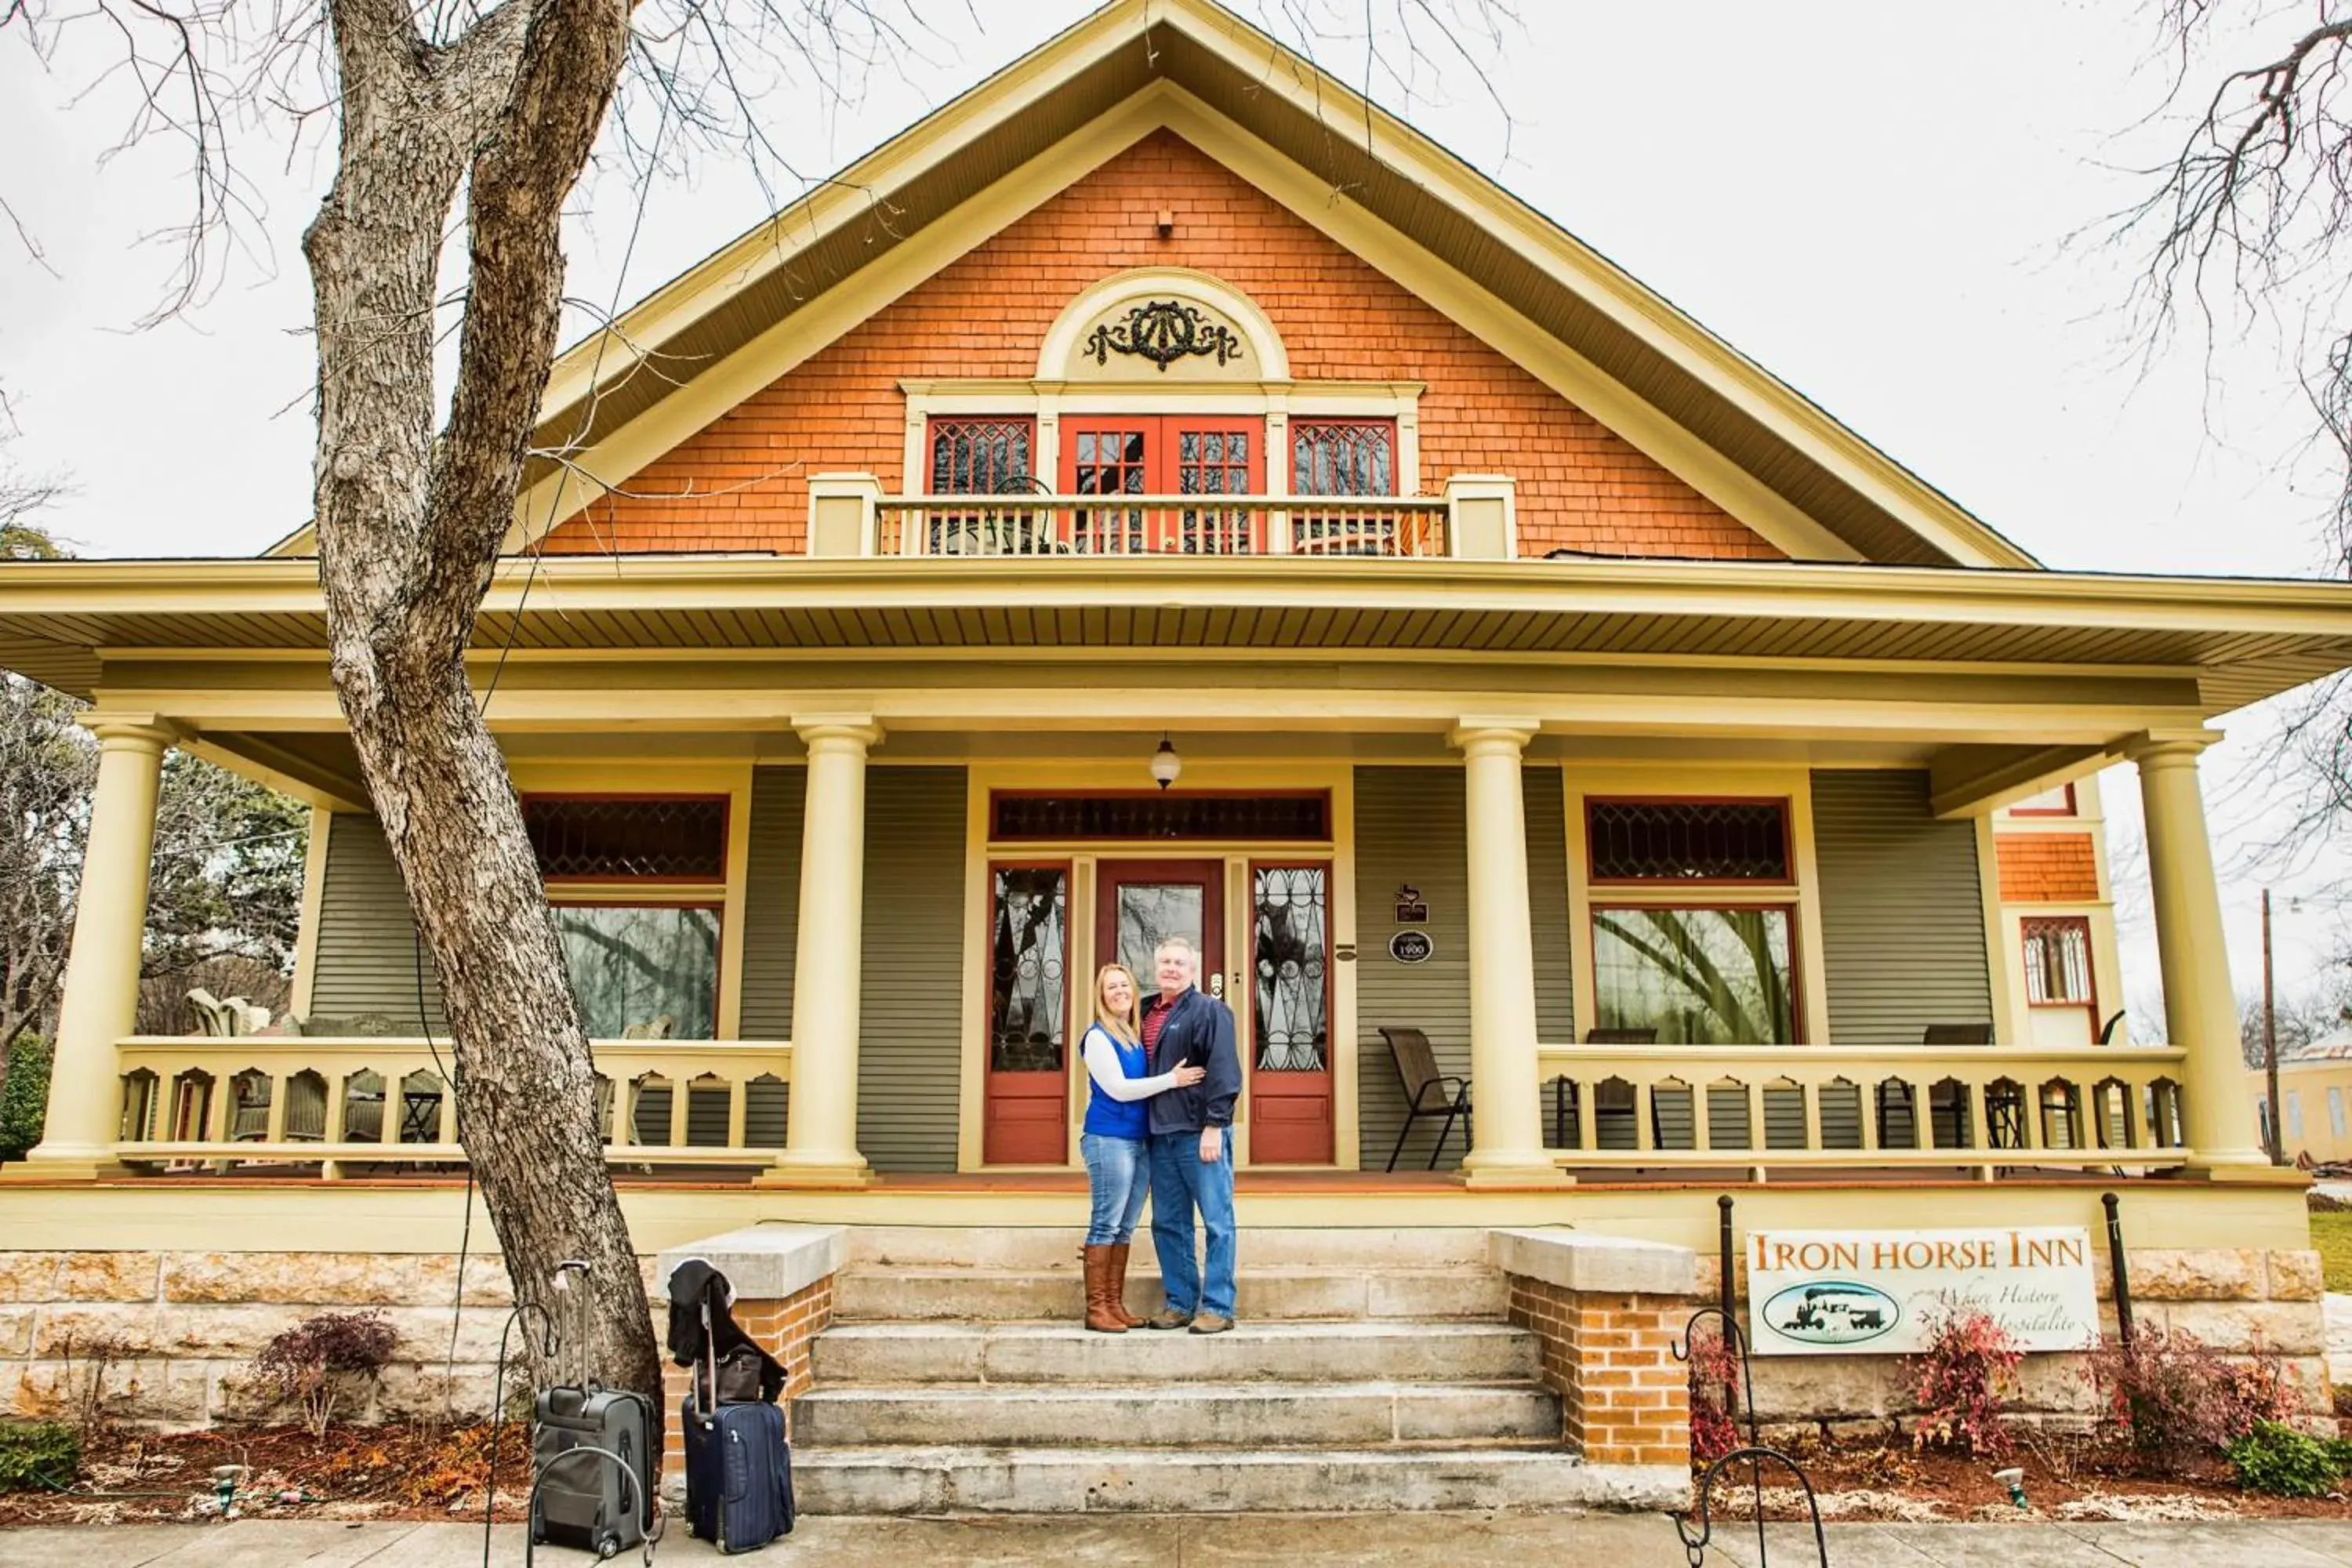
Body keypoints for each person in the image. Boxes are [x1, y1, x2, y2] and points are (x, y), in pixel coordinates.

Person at [1078, 962, 1206, 1334]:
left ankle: (1114, 1305)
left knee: (1124, 1227)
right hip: (1109, 1139)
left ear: (1134, 992)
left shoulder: (1132, 1034)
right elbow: (1119, 1089)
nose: (1119, 992)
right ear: (1101, 997)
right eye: (1111, 987)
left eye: (1124, 985)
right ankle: (1096, 1309)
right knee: (1106, 1223)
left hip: (1139, 1140)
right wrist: (1172, 1080)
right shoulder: (1098, 1037)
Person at [1141, 935, 1243, 1334]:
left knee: (1217, 1221)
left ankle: (1218, 1307)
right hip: (1159, 1134)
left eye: (1179, 963)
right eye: (1165, 962)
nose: (1171, 968)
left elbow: (1224, 1071)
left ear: (1193, 970)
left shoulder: (1210, 1011)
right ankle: (1180, 1303)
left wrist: (1215, 1125)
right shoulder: (1145, 1011)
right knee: (1168, 1223)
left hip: (1199, 1133)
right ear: (1155, 968)